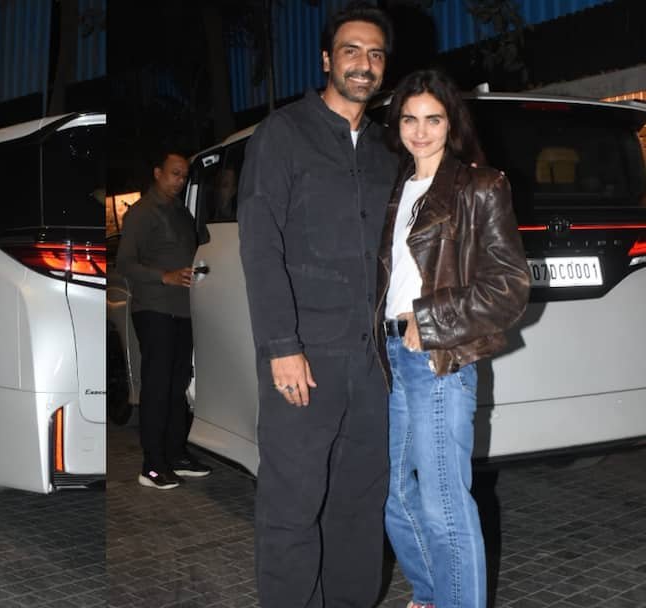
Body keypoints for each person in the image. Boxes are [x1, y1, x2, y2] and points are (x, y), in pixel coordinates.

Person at [236, 2, 399, 605]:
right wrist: (282, 346)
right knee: (293, 505)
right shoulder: (283, 134)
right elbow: (260, 245)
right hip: (303, 358)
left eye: (376, 54)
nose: (364, 64)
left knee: (360, 502)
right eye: (352, 50)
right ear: (328, 59)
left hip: (372, 360)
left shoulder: (387, 150)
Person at [377, 68, 529, 608]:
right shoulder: (397, 188)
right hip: (391, 356)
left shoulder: (479, 186)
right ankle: (431, 596)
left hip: (438, 358)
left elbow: (510, 287)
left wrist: (430, 320)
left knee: (443, 503)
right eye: (410, 119)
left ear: (451, 123)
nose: (420, 131)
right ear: (397, 124)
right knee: (395, 495)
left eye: (433, 119)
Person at [117, 150, 213, 490]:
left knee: (177, 384)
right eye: (175, 173)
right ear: (157, 173)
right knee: (157, 387)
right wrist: (164, 276)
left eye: (184, 175)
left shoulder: (182, 212)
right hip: (154, 309)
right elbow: (125, 263)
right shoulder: (142, 212)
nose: (180, 180)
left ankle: (176, 454)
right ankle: (152, 465)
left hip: (183, 309)